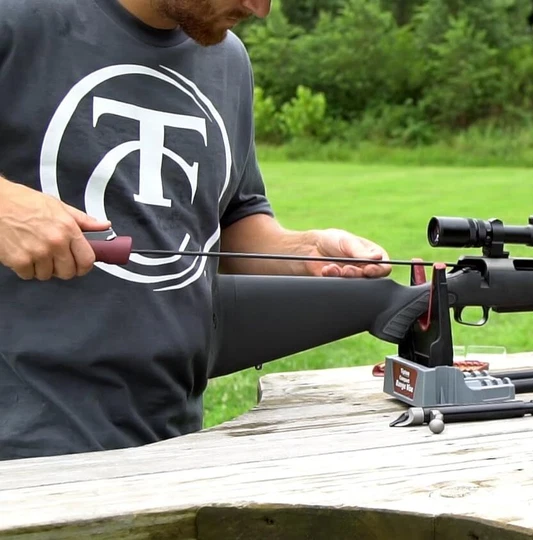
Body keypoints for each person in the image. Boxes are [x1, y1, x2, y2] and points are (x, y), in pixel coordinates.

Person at [0, 0, 391, 461]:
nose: (259, 9)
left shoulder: (228, 60)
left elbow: (232, 220)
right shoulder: (18, 15)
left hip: (171, 431)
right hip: (22, 435)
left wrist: (303, 251)